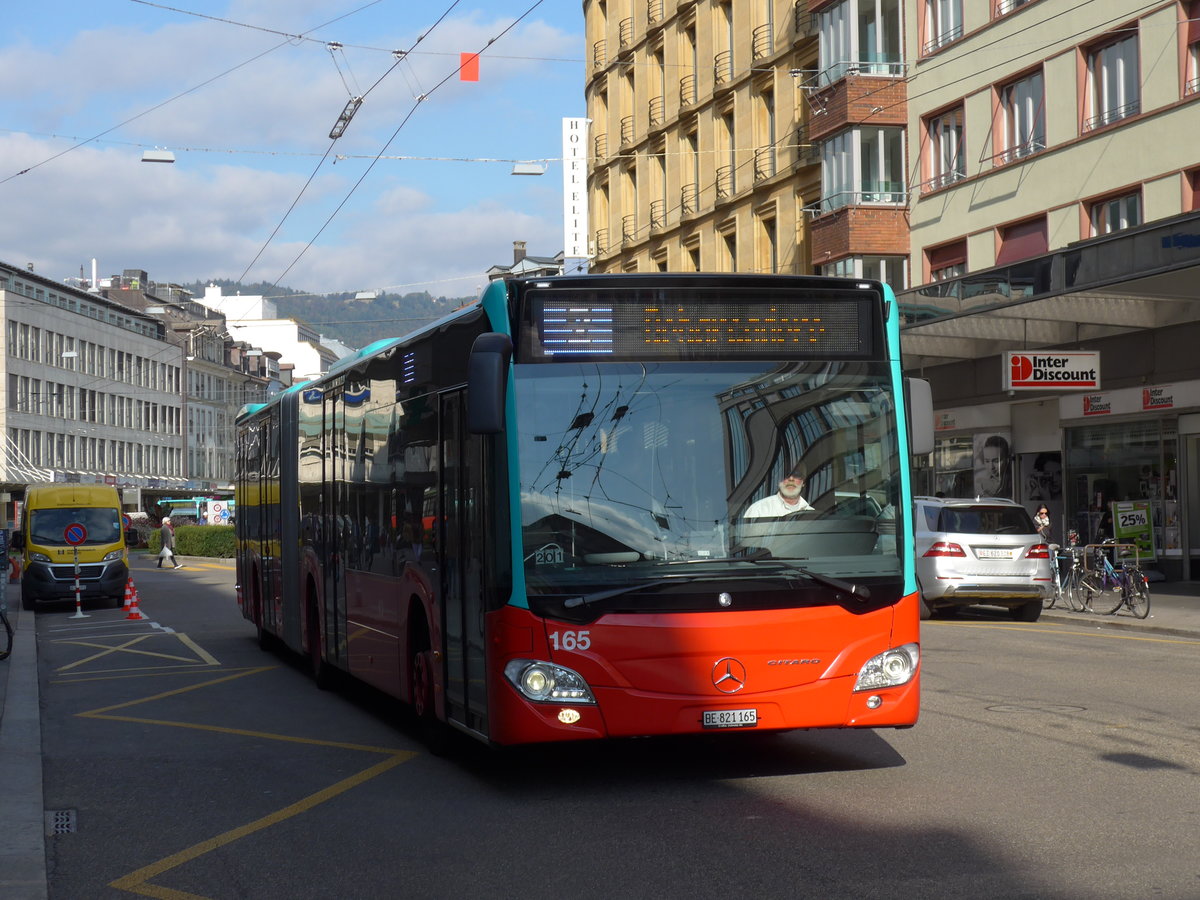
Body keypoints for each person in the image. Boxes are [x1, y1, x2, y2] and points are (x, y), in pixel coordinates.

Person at [744, 466, 814, 517]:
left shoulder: (812, 514)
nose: (791, 479)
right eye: (786, 475)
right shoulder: (759, 509)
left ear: (803, 482)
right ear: (779, 480)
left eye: (797, 475)